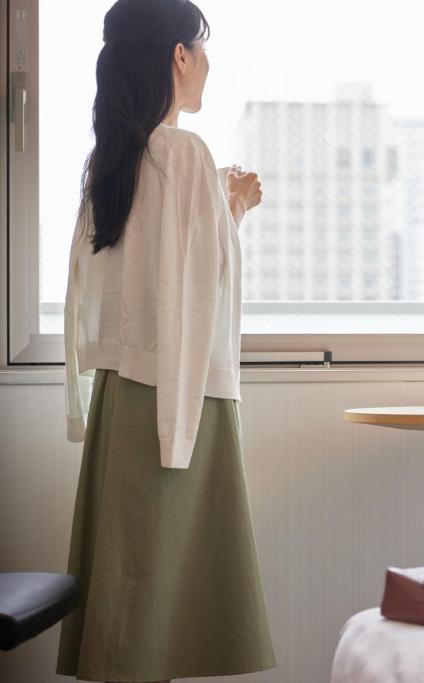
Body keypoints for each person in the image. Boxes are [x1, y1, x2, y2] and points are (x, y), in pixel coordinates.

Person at [57, 1, 276, 680]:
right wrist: (232, 205)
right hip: (177, 399)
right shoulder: (182, 152)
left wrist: (220, 202)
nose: (207, 64)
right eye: (201, 49)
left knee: (132, 604)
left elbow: (132, 279)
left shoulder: (116, 158)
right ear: (178, 56)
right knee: (158, 604)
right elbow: (199, 280)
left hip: (127, 396)